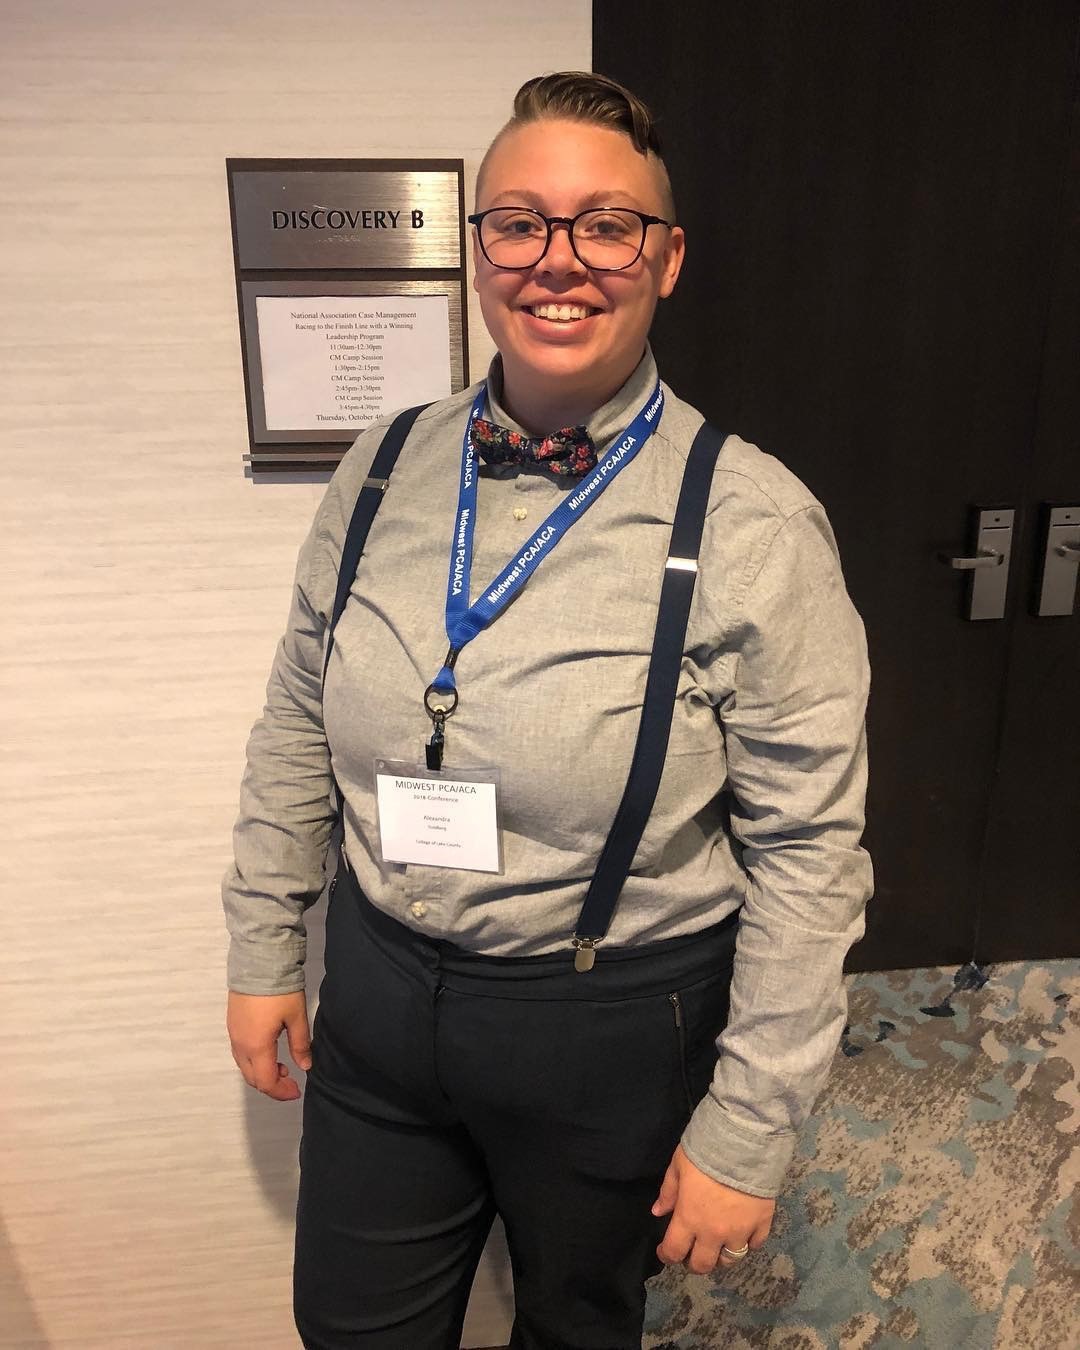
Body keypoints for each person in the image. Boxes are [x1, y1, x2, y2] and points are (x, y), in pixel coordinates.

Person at [224, 71, 872, 1350]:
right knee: (348, 1327)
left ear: (666, 258)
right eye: (519, 223)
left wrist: (752, 1122)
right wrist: (264, 942)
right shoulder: (382, 465)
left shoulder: (755, 522)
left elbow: (809, 849)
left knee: (577, 1330)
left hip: (610, 1020)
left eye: (606, 226)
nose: (557, 261)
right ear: (480, 251)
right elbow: (298, 710)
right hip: (380, 990)